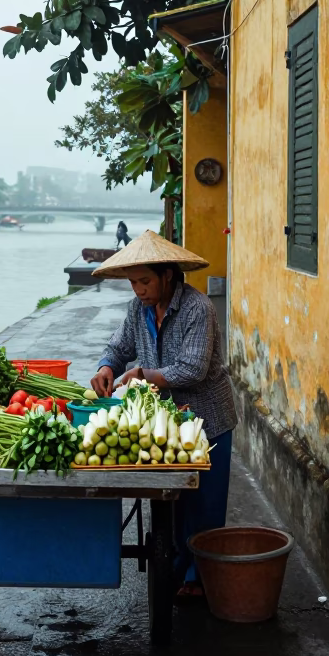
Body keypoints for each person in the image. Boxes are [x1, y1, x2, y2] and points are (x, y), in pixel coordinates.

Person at [89, 228, 237, 598]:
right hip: (165, 420)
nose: (138, 289)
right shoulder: (138, 310)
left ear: (167, 275)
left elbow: (192, 369)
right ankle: (170, 564)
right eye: (133, 283)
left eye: (144, 281)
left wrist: (142, 374)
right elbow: (119, 345)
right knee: (170, 500)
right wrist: (108, 366)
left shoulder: (197, 308)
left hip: (207, 420)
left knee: (204, 503)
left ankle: (198, 578)